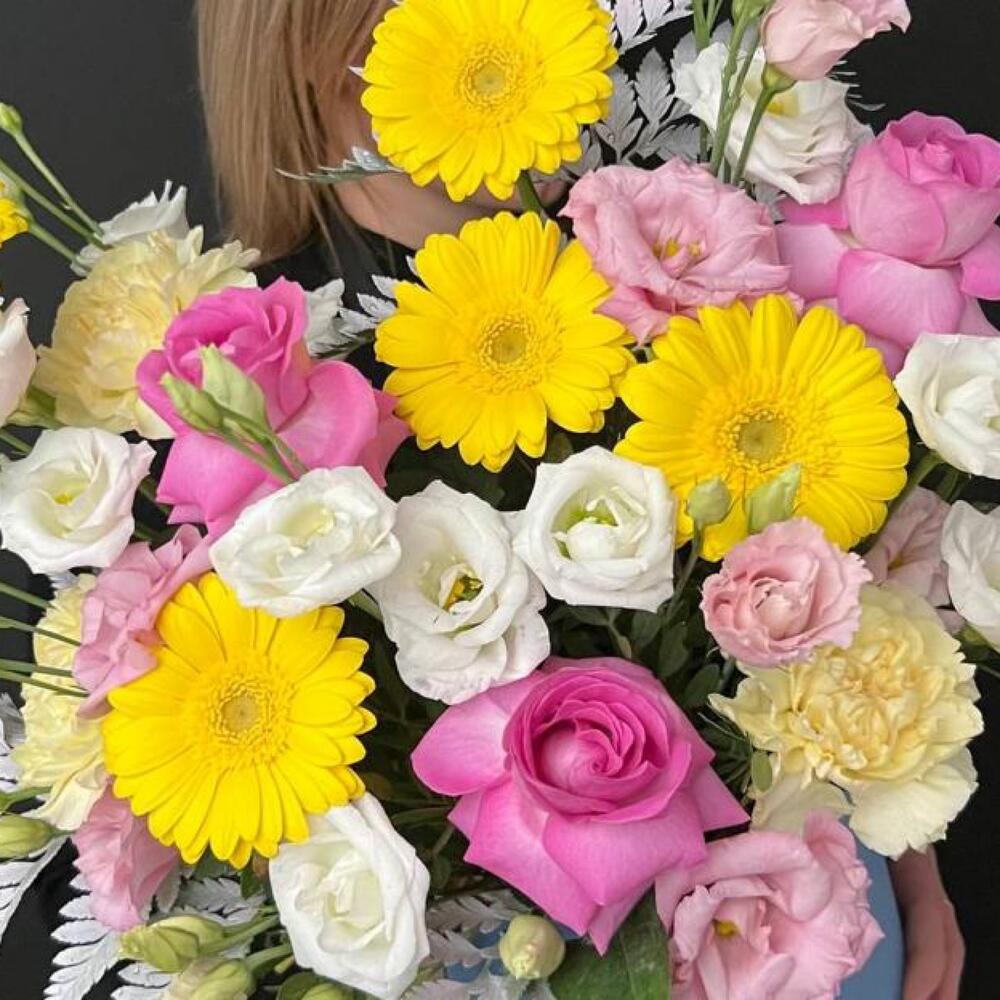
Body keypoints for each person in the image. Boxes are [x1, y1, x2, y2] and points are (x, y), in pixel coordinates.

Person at [196, 2, 966, 997]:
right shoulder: (259, 369)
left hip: (813, 926)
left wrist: (912, 861)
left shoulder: (678, 248)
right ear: (311, 40)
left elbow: (856, 601)